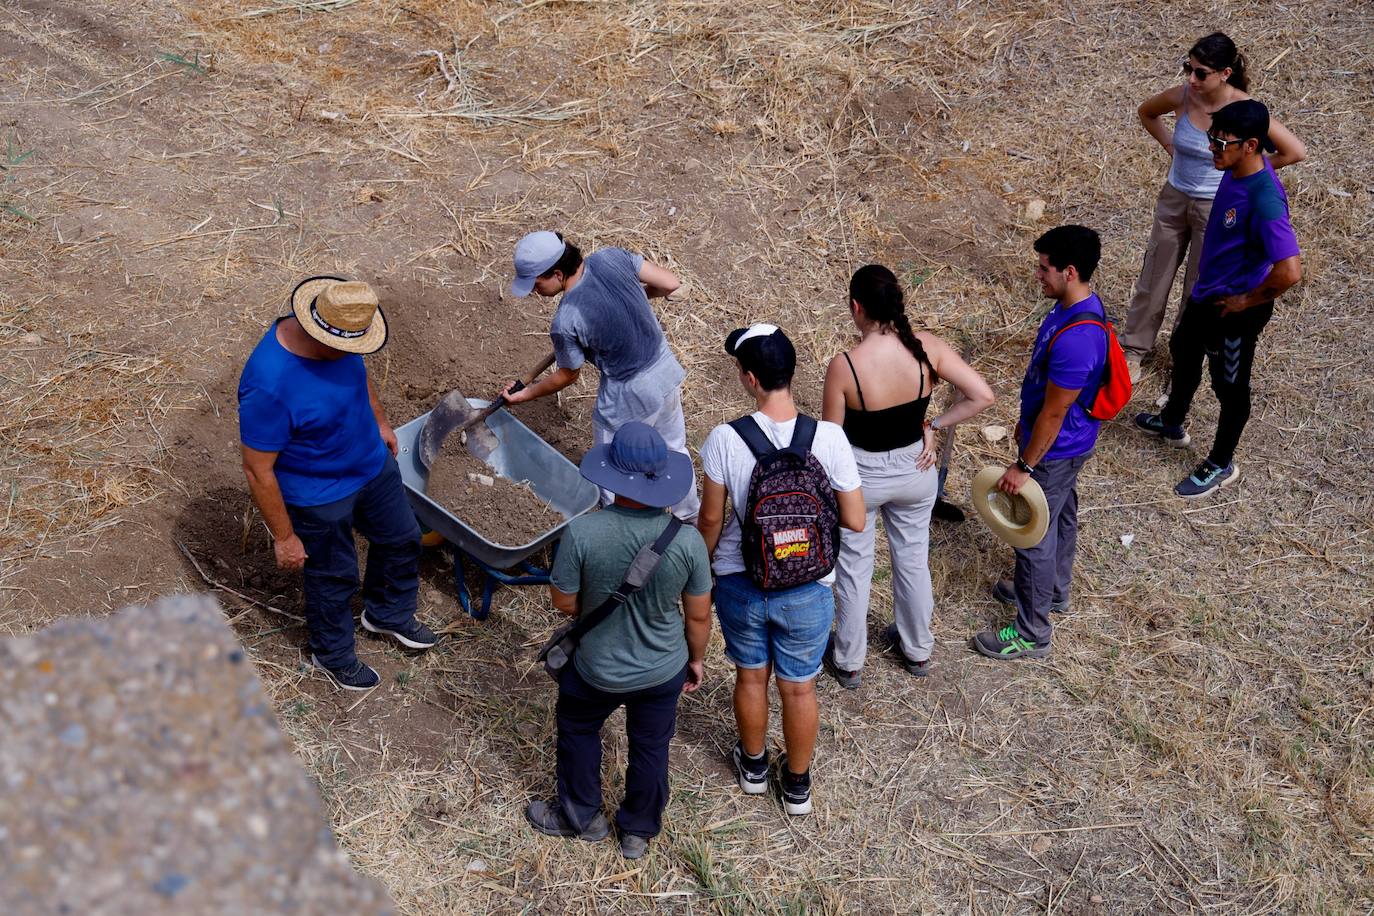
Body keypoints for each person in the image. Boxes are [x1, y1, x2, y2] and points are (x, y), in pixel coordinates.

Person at [524, 423, 713, 860]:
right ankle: (637, 832)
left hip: (595, 668)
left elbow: (563, 604)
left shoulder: (582, 533)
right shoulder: (686, 541)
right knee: (650, 746)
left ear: (611, 475)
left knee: (578, 730)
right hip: (663, 668)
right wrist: (696, 659)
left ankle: (582, 817)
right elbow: (699, 614)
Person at [697, 324, 865, 816]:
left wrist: (701, 570)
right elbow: (854, 519)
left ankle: (752, 767)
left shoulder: (725, 439)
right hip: (808, 586)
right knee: (800, 685)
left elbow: (711, 518)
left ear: (749, 378)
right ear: (792, 373)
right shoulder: (830, 438)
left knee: (751, 678)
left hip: (741, 580)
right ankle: (796, 784)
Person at [238, 276, 436, 691]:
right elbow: (258, 469)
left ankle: (387, 614)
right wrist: (284, 537)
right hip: (317, 495)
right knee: (334, 576)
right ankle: (332, 654)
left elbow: (358, 374)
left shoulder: (342, 335)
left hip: (370, 465)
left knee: (402, 538)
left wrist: (380, 420)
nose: (354, 351)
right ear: (320, 335)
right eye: (348, 347)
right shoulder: (270, 384)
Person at [821, 265, 994, 687]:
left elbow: (830, 440)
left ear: (856, 307)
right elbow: (982, 395)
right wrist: (933, 426)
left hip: (863, 477)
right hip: (917, 471)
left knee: (855, 566)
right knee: (913, 560)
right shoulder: (926, 348)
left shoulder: (845, 366)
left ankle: (849, 659)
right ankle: (917, 650)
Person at [1134, 100, 1302, 498]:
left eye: (1221, 142)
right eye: (1212, 138)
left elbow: (1290, 271)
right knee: (1183, 348)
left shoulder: (1264, 199)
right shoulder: (1232, 168)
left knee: (1230, 386)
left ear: (1251, 145)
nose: (1212, 147)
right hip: (1206, 294)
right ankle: (1173, 421)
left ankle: (1221, 462)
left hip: (1234, 311)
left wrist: (1248, 301)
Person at [1122, 32, 1305, 383]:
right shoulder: (1182, 96)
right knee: (1154, 277)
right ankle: (1134, 350)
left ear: (1224, 73)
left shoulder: (1243, 111)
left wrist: (1244, 173)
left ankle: (1182, 356)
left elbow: (1295, 151)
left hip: (1215, 207)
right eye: (1188, 68)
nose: (1191, 78)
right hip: (1174, 198)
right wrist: (1169, 145)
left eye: (1200, 72)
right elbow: (1146, 112)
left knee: (1198, 286)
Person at [972, 227, 1108, 661]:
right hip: (1059, 443)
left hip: (1055, 449)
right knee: (1060, 513)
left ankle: (1032, 632)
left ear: (1070, 272)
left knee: (1030, 533)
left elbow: (1055, 413)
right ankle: (1053, 592)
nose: (1037, 274)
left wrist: (1024, 466)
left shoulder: (1079, 338)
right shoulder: (1070, 309)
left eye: (1044, 268)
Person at [501, 231, 699, 522]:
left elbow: (568, 376)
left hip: (629, 393)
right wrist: (631, 299)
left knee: (612, 468)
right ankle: (690, 519)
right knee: (674, 449)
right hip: (664, 370)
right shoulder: (611, 257)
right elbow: (670, 283)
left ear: (557, 273)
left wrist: (526, 394)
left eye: (535, 283)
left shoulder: (566, 320)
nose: (532, 290)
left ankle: (617, 528)